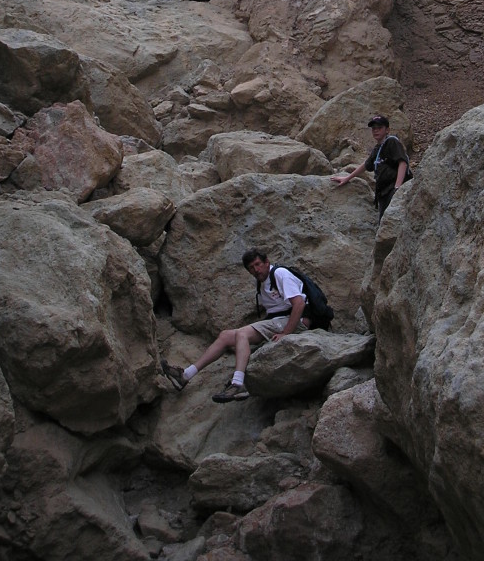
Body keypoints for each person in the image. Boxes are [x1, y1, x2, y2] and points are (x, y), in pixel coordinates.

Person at [160, 247, 310, 403]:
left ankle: (238, 384)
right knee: (225, 336)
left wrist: (286, 333)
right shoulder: (262, 282)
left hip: (296, 321)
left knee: (242, 334)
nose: (256, 270)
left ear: (267, 262)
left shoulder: (280, 274)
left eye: (258, 264)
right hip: (279, 320)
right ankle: (185, 376)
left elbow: (299, 304)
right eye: (251, 268)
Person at [330, 113, 410, 219]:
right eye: (373, 128)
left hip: (393, 190)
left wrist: (397, 188)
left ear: (387, 130)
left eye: (379, 128)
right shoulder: (378, 148)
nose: (375, 130)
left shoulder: (391, 142)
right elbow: (366, 165)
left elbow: (402, 162)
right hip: (383, 192)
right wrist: (347, 178)